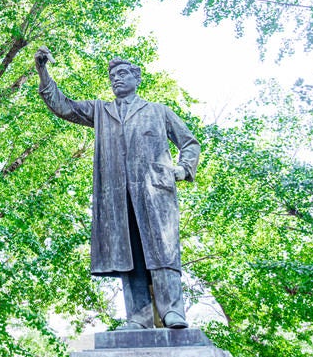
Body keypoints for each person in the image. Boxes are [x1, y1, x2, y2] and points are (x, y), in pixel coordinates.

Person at [35, 47, 200, 329]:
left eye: (122, 74)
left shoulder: (158, 112)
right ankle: (140, 318)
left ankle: (173, 311)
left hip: (154, 192)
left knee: (162, 250)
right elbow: (64, 106)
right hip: (117, 196)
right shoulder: (101, 111)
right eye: (112, 76)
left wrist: (183, 170)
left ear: (137, 78)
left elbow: (189, 143)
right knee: (129, 255)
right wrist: (43, 72)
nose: (116, 79)